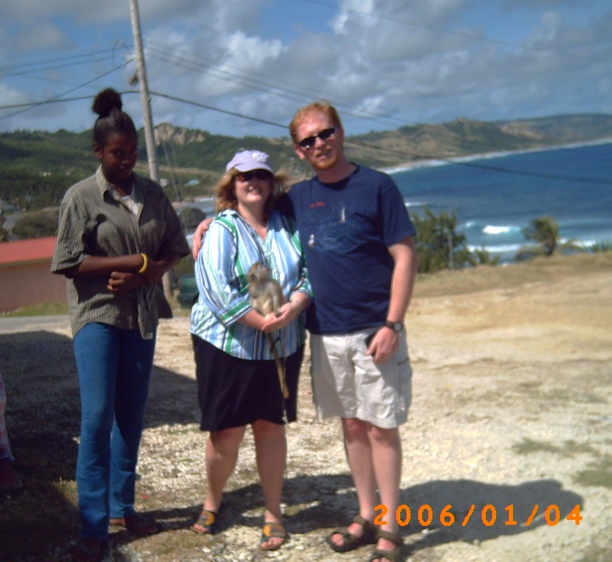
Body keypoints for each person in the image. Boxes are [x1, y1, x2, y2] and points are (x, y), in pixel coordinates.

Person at [192, 103, 417, 562]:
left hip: (340, 334)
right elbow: (225, 261)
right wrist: (206, 223)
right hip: (281, 340)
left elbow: (392, 257)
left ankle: (381, 526)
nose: (319, 144)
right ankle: (361, 515)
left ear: (340, 132)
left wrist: (389, 321)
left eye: (325, 133)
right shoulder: (259, 214)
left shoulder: (354, 193)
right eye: (308, 140)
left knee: (366, 428)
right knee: (340, 427)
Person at [51, 88, 190, 562]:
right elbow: (68, 261)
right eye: (117, 153)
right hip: (98, 318)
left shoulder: (152, 193)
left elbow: (176, 245)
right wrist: (127, 260)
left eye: (131, 151)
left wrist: (148, 273)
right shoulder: (81, 198)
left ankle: (121, 507)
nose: (127, 159)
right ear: (98, 152)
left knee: (130, 418)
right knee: (97, 420)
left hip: (142, 315)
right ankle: (93, 527)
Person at [189, 150, 312, 551]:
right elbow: (213, 288)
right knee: (226, 431)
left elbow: (310, 274)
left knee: (270, 427)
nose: (253, 182)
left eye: (261, 175)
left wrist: (295, 306)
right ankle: (212, 500)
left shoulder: (288, 225)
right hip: (230, 345)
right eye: (244, 177)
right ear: (232, 186)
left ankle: (273, 513)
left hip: (283, 343)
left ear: (271, 182)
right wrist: (258, 322)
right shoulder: (221, 229)